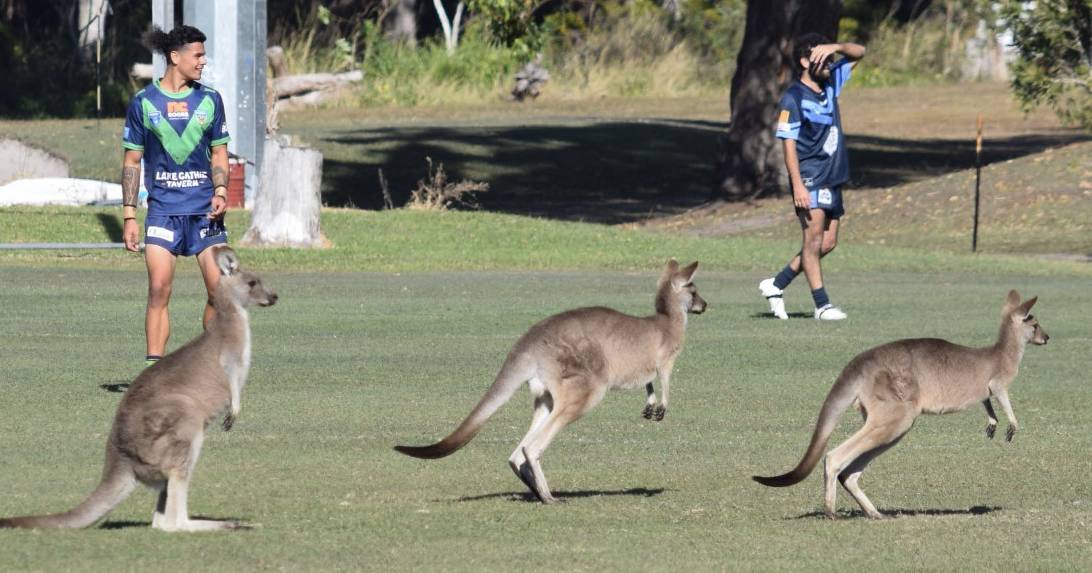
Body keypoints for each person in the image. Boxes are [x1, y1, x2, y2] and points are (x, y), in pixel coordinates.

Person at [120, 25, 231, 366]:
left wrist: (221, 191)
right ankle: (155, 372)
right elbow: (132, 161)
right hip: (163, 211)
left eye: (203, 54)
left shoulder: (210, 100)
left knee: (220, 293)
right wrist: (128, 216)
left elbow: (219, 154)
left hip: (204, 211)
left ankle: (209, 365)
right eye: (197, 55)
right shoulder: (144, 103)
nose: (203, 61)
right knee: (159, 288)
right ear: (175, 56)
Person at [759, 34, 866, 321]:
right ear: (805, 62)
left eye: (831, 59)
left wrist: (836, 47)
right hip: (809, 177)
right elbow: (788, 144)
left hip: (833, 177)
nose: (830, 64)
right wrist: (796, 184)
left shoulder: (831, 83)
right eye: (823, 59)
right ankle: (822, 305)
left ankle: (776, 284)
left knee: (826, 244)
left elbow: (861, 52)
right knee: (812, 240)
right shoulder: (792, 98)